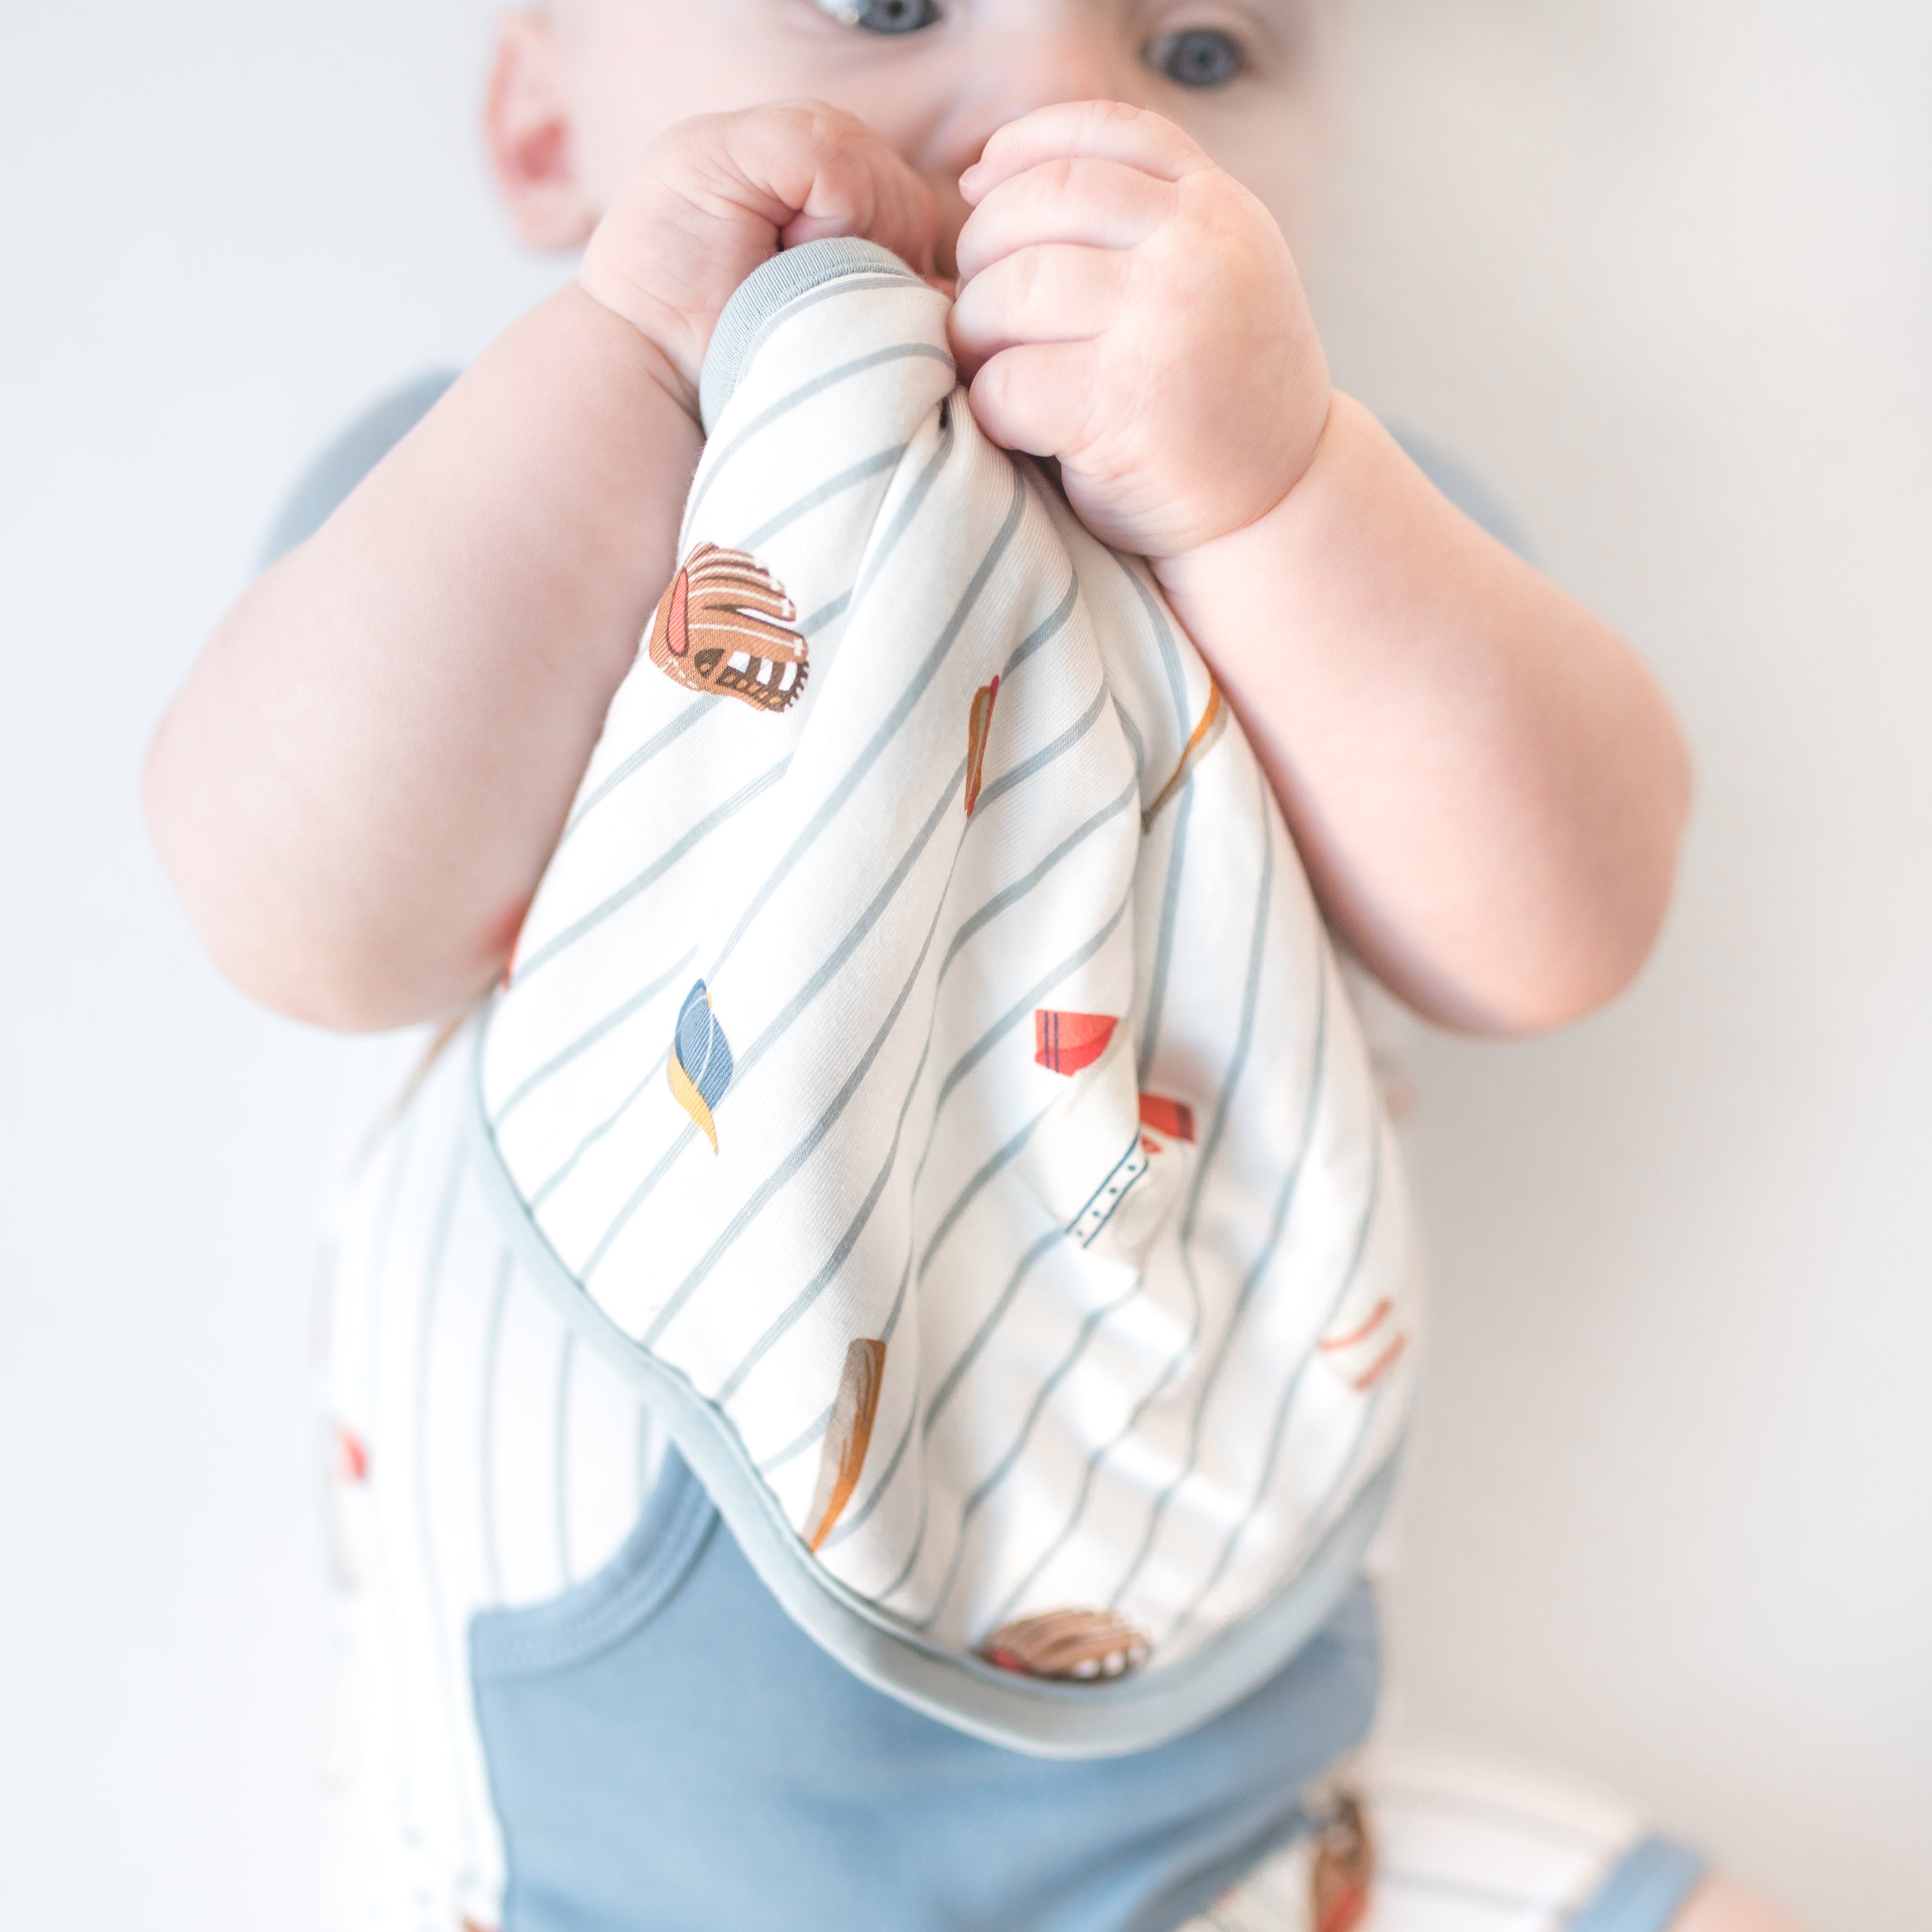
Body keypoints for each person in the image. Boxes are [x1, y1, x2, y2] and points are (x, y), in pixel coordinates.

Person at [143, 3, 1793, 1928]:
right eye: (889, 3)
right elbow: (309, 915)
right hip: (555, 1876)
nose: (1060, 111)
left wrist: (1273, 490)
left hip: (1215, 1841)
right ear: (542, 125)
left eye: (1197, 53)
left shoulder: (1311, 520)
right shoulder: (501, 482)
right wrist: (636, 369)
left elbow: (1565, 922)